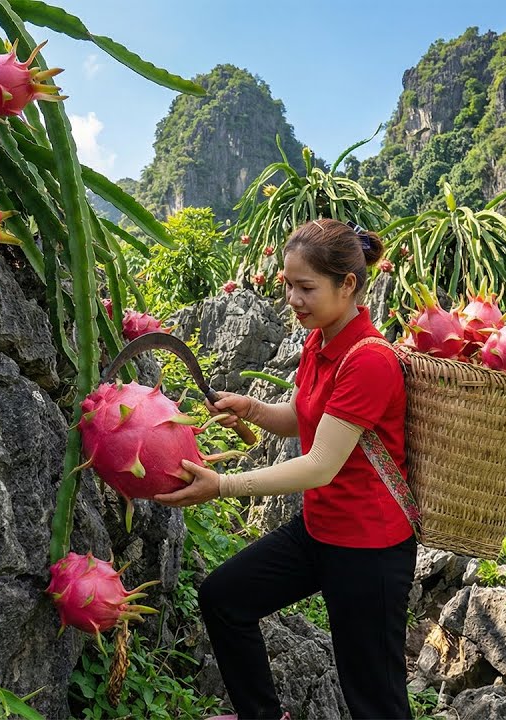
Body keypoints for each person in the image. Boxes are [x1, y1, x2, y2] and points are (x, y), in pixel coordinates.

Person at [154, 218, 418, 720]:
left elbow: (320, 465)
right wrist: (252, 408)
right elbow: (304, 415)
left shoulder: (370, 361)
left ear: (348, 285)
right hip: (320, 530)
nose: (293, 299)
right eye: (288, 285)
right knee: (225, 599)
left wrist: (222, 485)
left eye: (306, 288)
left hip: (370, 549)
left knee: (374, 700)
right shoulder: (321, 341)